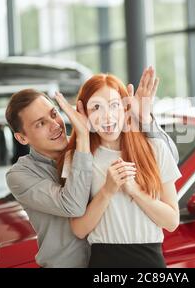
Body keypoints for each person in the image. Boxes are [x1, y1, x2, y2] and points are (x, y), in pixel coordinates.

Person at [5, 67, 178, 268]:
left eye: (54, 114)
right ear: (21, 138)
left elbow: (166, 158)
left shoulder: (82, 149)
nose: (55, 125)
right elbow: (74, 208)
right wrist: (85, 141)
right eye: (40, 124)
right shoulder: (31, 171)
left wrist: (144, 120)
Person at [57, 72, 182, 268]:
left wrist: (135, 191)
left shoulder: (155, 148)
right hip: (104, 262)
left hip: (150, 262)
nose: (107, 116)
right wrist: (107, 190)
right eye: (96, 107)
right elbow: (79, 230)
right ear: (84, 113)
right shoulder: (77, 158)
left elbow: (172, 221)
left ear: (126, 108)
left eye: (114, 105)